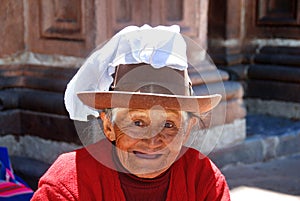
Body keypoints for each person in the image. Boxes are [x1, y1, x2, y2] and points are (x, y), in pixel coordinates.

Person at [31, 25, 230, 201]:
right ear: (109, 126)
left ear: (186, 131)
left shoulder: (203, 180)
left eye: (169, 125)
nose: (153, 141)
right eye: (138, 123)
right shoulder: (69, 182)